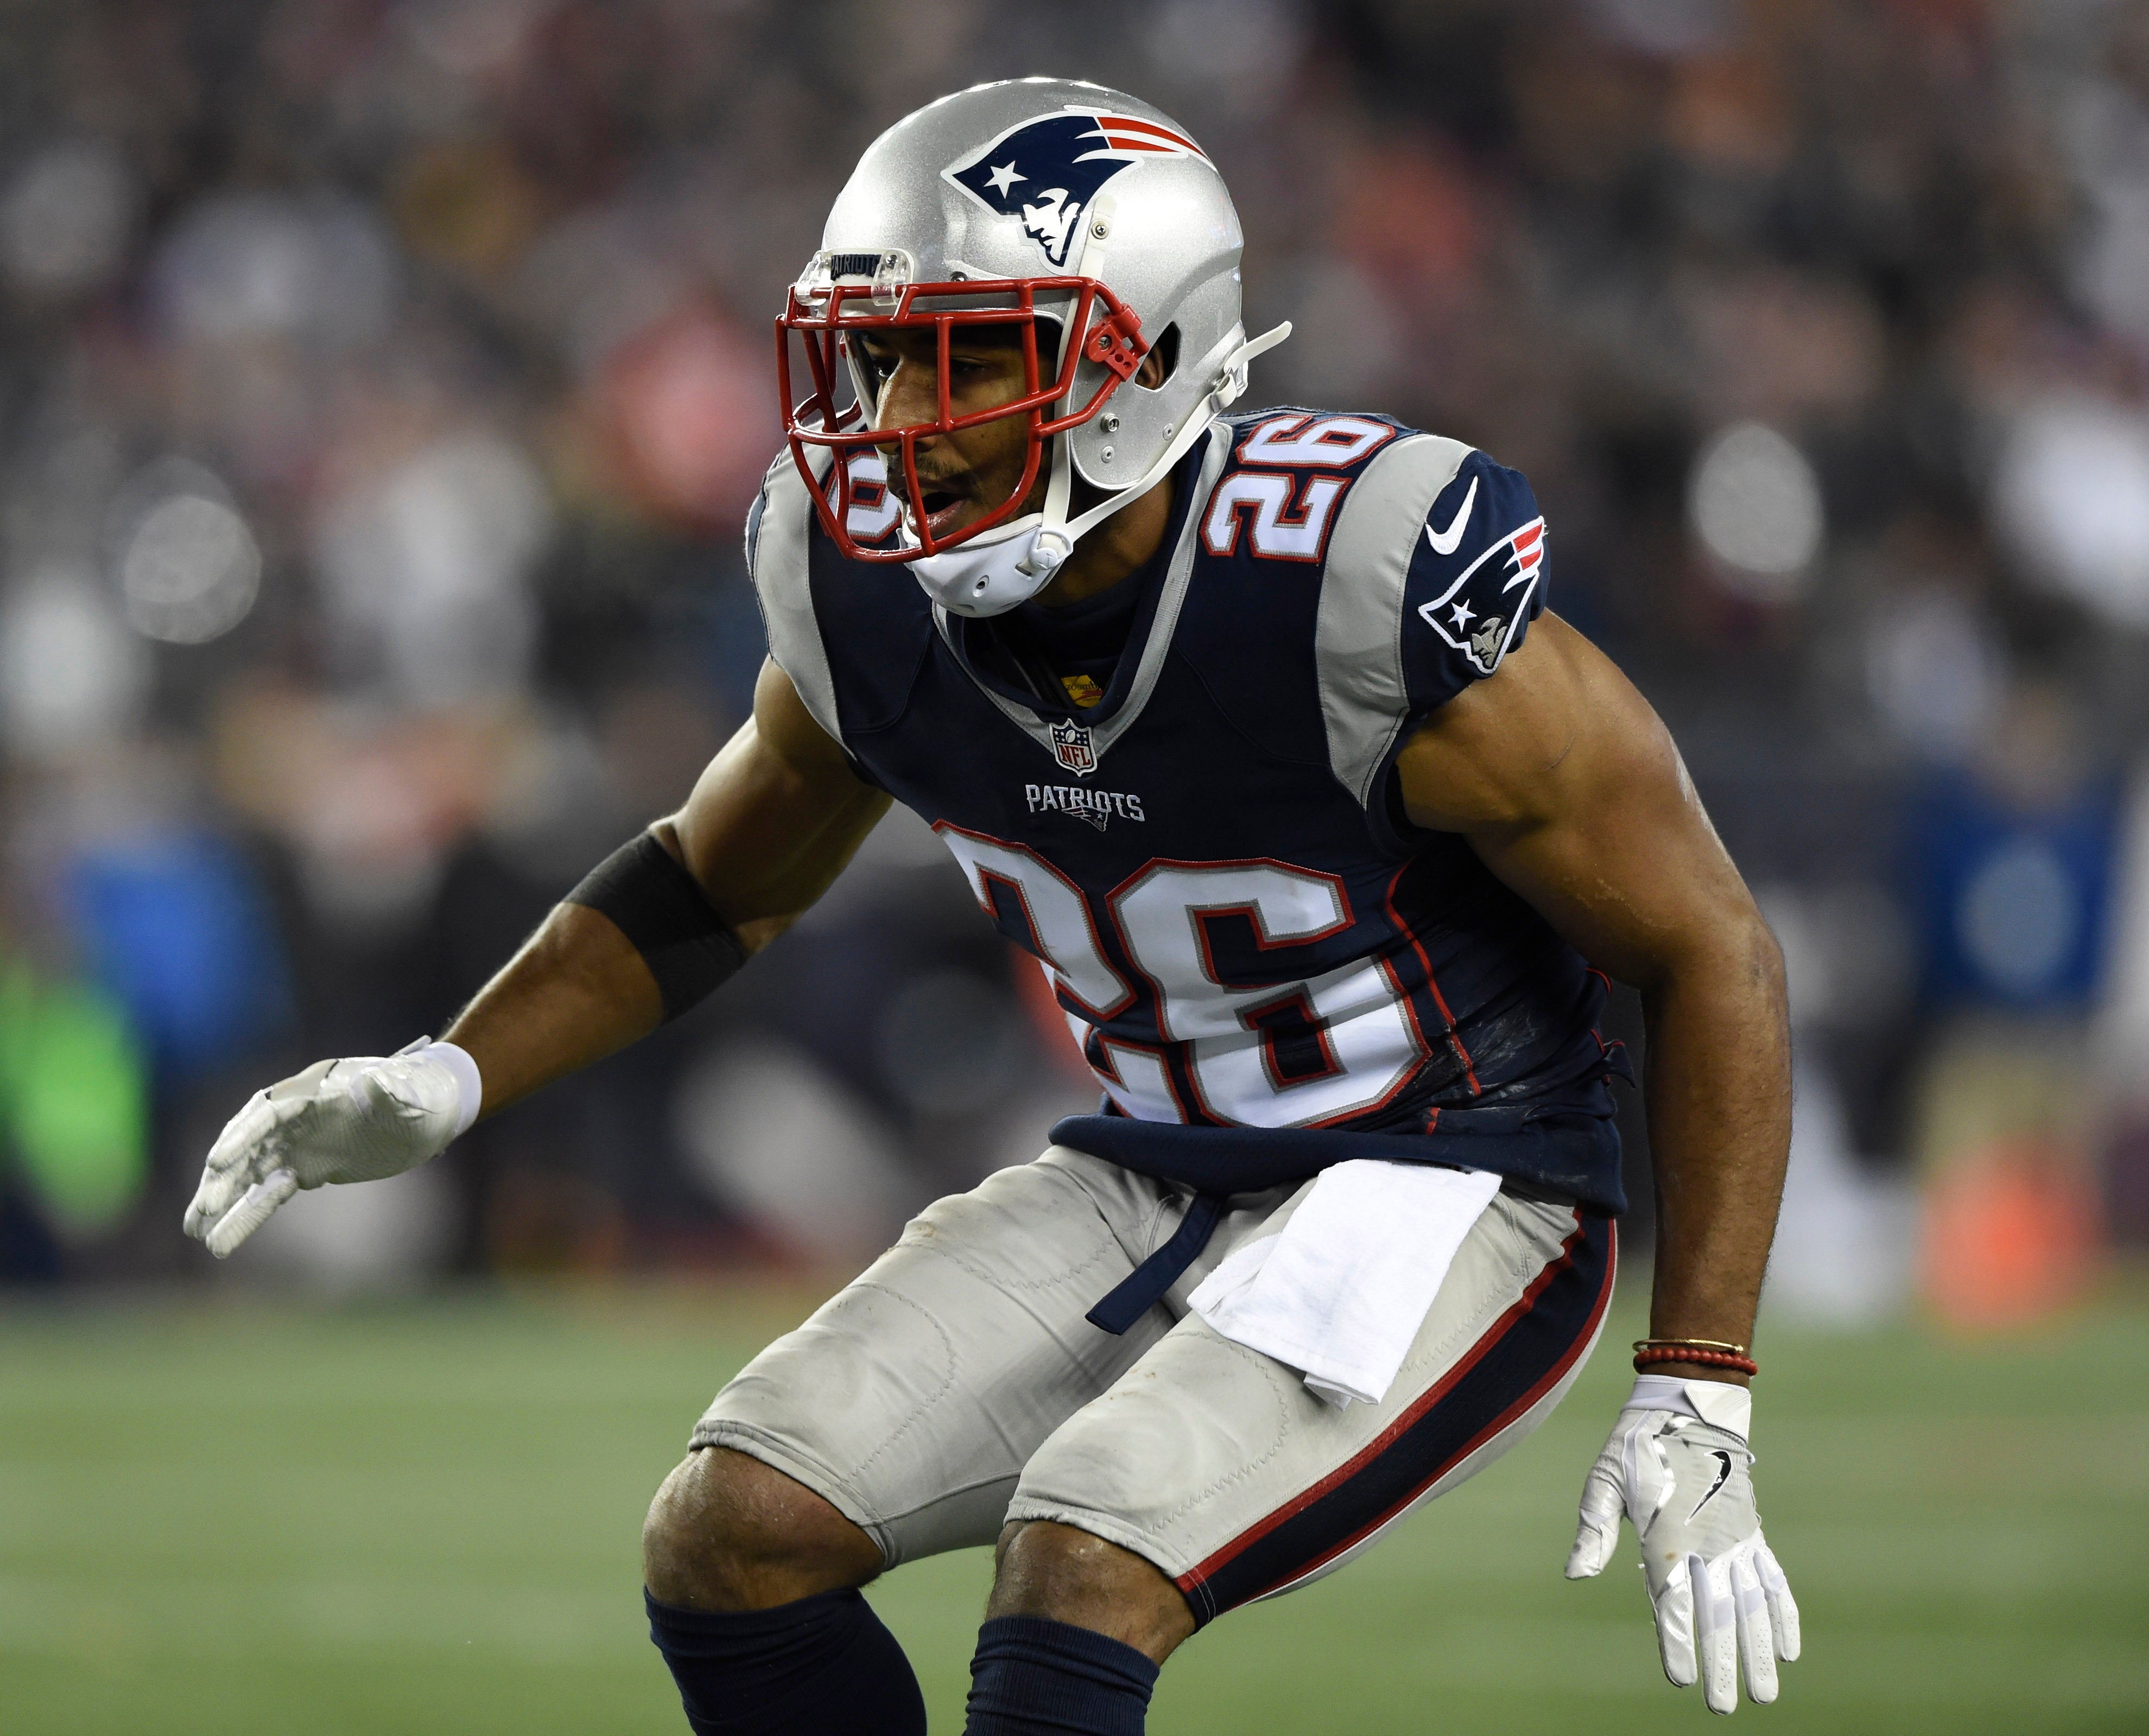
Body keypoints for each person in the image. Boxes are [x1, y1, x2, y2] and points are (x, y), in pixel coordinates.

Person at [185, 80, 1801, 1733]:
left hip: (1453, 1175)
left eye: (968, 354)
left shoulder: (1354, 583)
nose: (898, 417)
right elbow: (716, 874)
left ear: (1147, 360)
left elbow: (1707, 944)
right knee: (732, 1530)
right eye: (879, 355)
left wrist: (1702, 1384)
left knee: (1086, 1553)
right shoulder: (852, 578)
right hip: (1160, 1152)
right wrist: (449, 1077)